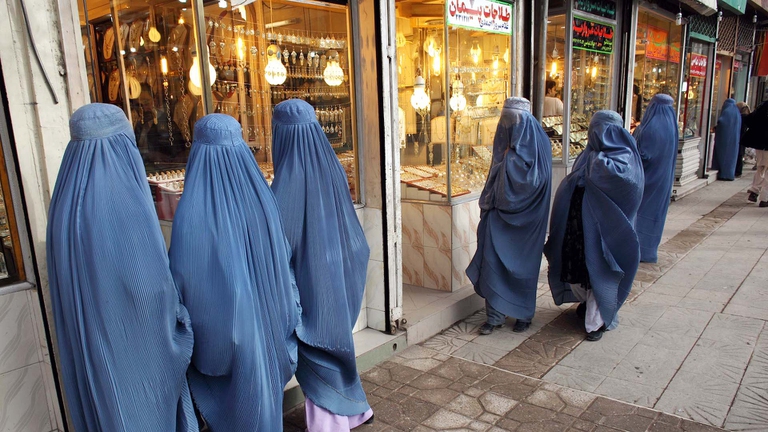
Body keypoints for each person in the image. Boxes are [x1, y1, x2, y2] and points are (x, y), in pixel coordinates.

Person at [46, 103, 197, 431]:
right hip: (135, 364)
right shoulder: (125, 201)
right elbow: (151, 292)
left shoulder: (63, 204)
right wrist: (181, 325)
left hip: (94, 367)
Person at [169, 114, 300, 431]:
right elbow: (283, 259)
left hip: (229, 341)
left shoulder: (191, 214)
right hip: (269, 331)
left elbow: (187, 286)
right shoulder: (263, 199)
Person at [270, 100, 374, 431]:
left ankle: (331, 424)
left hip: (313, 282)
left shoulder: (287, 179)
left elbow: (279, 241)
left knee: (318, 352)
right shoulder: (330, 165)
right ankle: (356, 410)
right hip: (338, 271)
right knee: (337, 346)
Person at [544, 110, 644, 341]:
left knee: (601, 268)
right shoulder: (589, 154)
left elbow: (623, 185)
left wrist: (595, 165)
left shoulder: (624, 157)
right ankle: (588, 303)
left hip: (605, 232)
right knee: (582, 267)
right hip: (580, 227)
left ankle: (596, 321)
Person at [466, 97, 552, 334]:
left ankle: (524, 313)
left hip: (528, 219)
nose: (508, 126)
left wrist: (509, 163)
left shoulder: (538, 142)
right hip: (497, 216)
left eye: (513, 120)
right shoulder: (504, 144)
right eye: (505, 120)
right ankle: (494, 317)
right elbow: (494, 173)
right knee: (491, 261)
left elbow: (536, 180)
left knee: (524, 268)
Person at [633, 94, 678, 263]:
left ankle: (638, 250)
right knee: (655, 214)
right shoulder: (671, 126)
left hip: (646, 179)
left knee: (640, 212)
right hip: (663, 178)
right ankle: (649, 250)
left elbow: (644, 155)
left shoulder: (650, 128)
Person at [741, 101, 768, 207]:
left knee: (761, 168)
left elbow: (750, 120)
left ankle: (754, 191)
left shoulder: (763, 106)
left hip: (760, 144)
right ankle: (765, 198)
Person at [712, 98, 742, 181]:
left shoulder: (727, 111)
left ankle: (723, 173)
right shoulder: (737, 112)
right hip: (734, 139)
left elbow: (722, 122)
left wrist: (716, 128)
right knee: (731, 157)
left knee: (723, 155)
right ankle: (729, 173)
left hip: (724, 138)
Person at [735, 102, 750, 178]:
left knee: (739, 154)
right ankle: (738, 171)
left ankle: (738, 171)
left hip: (740, 137)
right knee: (740, 154)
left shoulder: (742, 117)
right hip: (743, 138)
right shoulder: (747, 116)